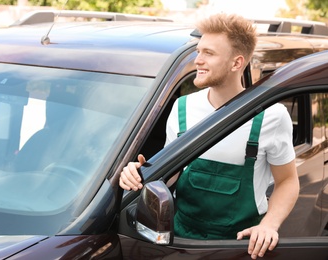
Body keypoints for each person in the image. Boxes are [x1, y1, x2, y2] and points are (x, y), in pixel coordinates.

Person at [119, 13, 300, 260]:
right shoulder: (182, 108)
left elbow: (288, 181)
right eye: (199, 51)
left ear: (236, 63)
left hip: (241, 247)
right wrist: (140, 173)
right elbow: (170, 173)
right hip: (181, 242)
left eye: (209, 53)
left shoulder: (271, 117)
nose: (198, 60)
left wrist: (269, 225)